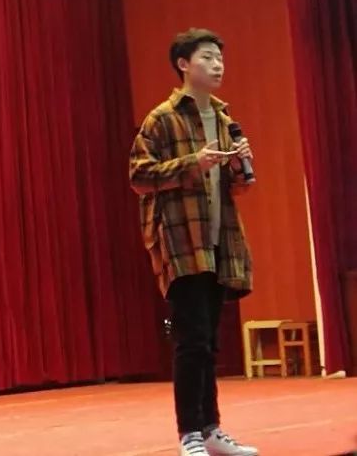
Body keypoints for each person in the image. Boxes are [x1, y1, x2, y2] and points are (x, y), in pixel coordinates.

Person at [129, 29, 258, 456]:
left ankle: (211, 428)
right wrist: (193, 163)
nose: (218, 64)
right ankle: (190, 434)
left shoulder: (222, 117)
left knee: (211, 342)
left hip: (219, 240)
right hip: (182, 241)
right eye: (207, 57)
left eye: (220, 57)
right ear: (184, 64)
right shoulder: (162, 118)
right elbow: (139, 176)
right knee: (192, 340)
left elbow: (238, 187)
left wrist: (240, 164)